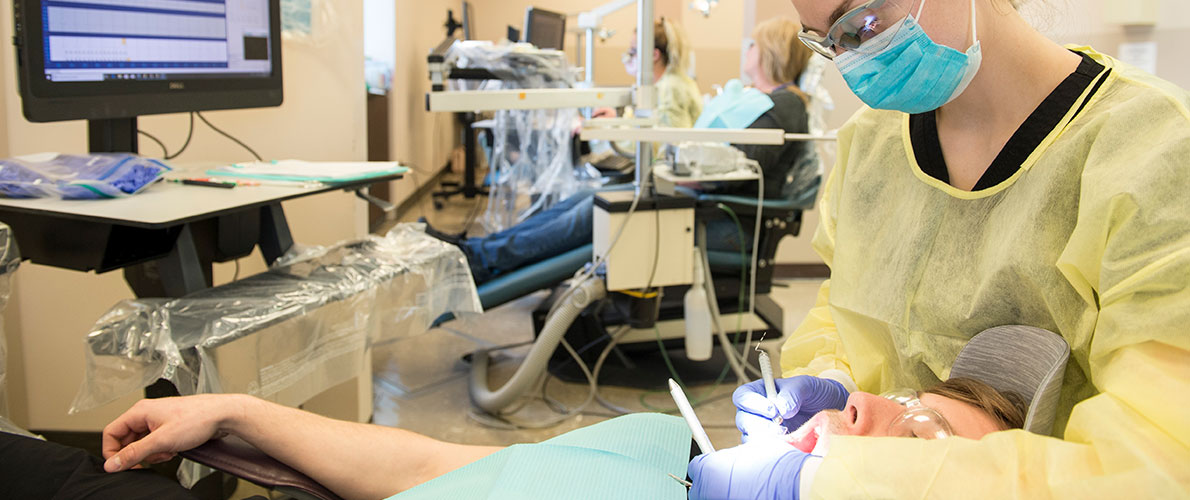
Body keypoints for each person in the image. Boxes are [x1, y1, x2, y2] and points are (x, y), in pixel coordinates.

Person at [694, 0, 1190, 498]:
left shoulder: (1156, 152)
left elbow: (1156, 465)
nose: (851, 63)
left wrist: (836, 482)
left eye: (863, 25)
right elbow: (846, 314)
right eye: (827, 43)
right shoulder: (871, 146)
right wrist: (837, 384)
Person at [0, 376, 1019, 500]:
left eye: (931, 431)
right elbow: (441, 465)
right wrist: (242, 416)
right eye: (910, 391)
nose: (892, 409)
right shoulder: (662, 448)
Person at [440, 18, 818, 284]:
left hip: (721, 218)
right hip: (694, 199)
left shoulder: (787, 105)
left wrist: (682, 167)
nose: (747, 49)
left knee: (594, 209)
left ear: (770, 51)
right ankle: (480, 252)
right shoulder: (757, 99)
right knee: (589, 197)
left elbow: (739, 171)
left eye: (753, 43)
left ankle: (480, 258)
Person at [592, 18, 703, 129]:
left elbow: (668, 141)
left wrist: (615, 126)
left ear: (654, 55)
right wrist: (616, 120)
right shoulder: (666, 84)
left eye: (634, 50)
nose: (628, 56)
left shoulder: (670, 88)